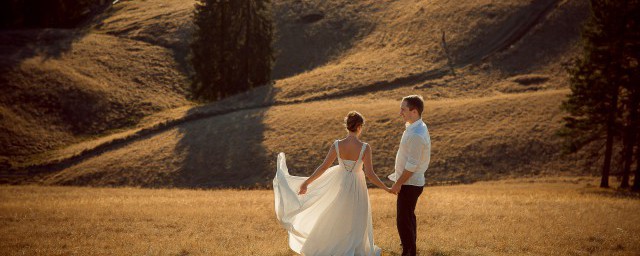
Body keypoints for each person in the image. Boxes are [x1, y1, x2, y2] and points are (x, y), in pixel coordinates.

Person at [273, 111, 388, 256]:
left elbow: (323, 167)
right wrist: (387, 188)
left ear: (347, 126)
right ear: (359, 127)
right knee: (356, 218)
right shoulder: (365, 147)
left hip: (340, 184)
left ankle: (338, 245)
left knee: (339, 215)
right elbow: (370, 174)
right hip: (358, 186)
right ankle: (353, 247)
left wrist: (306, 183)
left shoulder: (337, 145)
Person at [388, 95, 432, 256]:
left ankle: (408, 252)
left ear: (414, 111)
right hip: (411, 182)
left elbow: (412, 166)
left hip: (410, 183)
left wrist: (398, 183)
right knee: (408, 218)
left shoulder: (416, 134)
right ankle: (410, 250)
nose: (400, 112)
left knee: (403, 221)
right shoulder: (414, 126)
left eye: (403, 109)